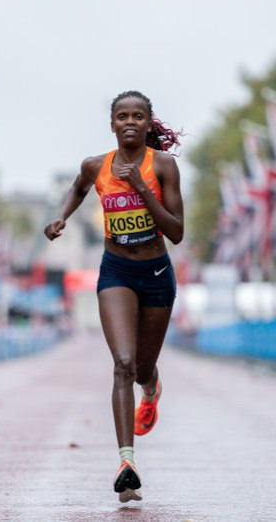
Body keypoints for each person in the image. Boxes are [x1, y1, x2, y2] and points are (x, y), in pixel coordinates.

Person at [44, 90, 183, 503]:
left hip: (156, 274)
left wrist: (140, 186)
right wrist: (60, 216)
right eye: (122, 116)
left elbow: (176, 232)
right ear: (112, 124)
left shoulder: (163, 166)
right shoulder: (96, 165)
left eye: (138, 116)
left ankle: (151, 391)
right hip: (116, 271)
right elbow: (78, 187)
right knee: (123, 364)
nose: (130, 122)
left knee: (142, 369)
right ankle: (127, 465)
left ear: (147, 123)